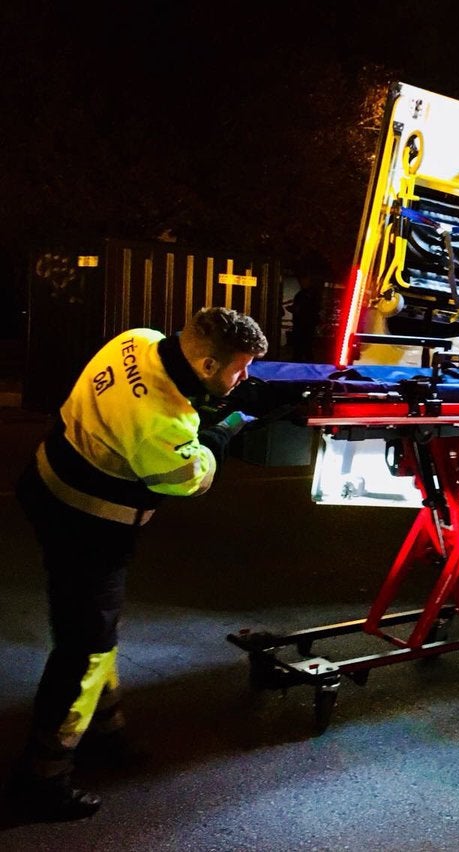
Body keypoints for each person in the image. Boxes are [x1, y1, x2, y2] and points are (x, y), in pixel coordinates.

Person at [4, 307, 268, 822]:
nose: (245, 379)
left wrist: (203, 406)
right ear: (209, 363)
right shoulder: (161, 423)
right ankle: (43, 775)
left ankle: (101, 730)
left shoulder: (140, 339)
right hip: (88, 523)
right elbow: (188, 478)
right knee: (85, 649)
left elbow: (148, 397)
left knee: (96, 629)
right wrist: (222, 431)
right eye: (239, 370)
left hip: (46, 482)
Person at [286, 274, 322, 362]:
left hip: (304, 324)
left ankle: (299, 362)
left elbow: (307, 309)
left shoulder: (304, 294)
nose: (302, 283)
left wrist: (296, 310)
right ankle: (306, 362)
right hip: (304, 324)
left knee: (303, 347)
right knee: (304, 347)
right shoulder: (307, 294)